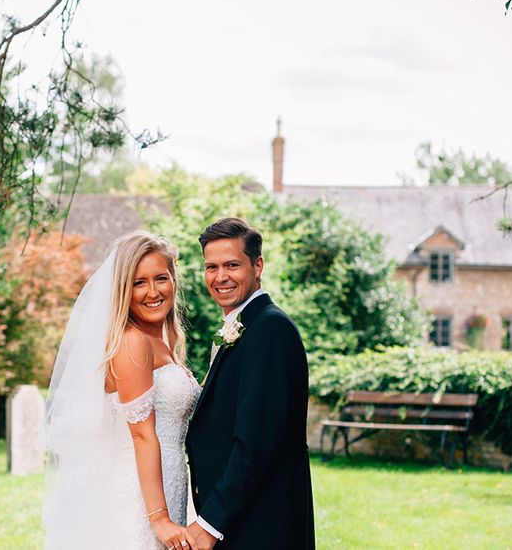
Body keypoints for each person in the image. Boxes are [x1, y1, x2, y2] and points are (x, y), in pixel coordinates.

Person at [43, 231, 201, 550]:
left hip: (169, 484)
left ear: (174, 279)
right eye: (138, 283)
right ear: (122, 291)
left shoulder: (161, 343)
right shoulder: (132, 342)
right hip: (140, 499)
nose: (153, 292)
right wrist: (158, 517)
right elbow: (142, 434)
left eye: (161, 278)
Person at [186, 217, 315, 549]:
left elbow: (257, 443)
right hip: (243, 521)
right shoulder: (247, 326)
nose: (220, 277)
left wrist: (210, 524)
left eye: (232, 265)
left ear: (258, 266)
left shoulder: (270, 330)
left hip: (261, 525)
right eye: (211, 267)